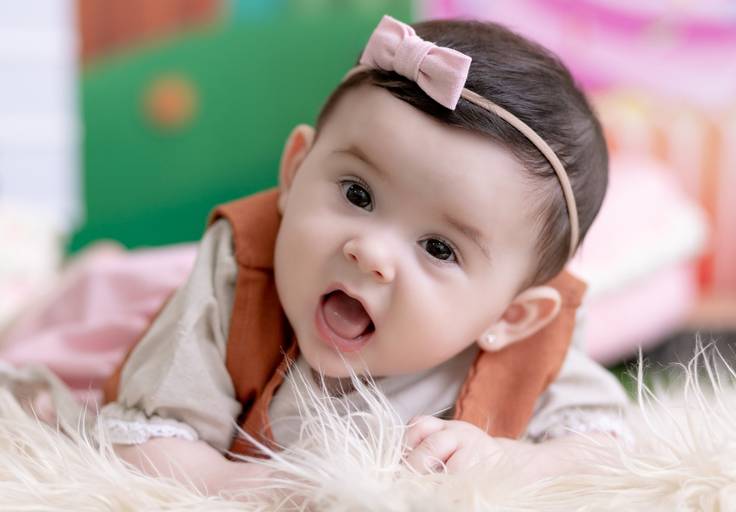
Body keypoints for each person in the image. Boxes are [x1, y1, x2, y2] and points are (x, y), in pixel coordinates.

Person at [101, 15, 629, 495]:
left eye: (439, 248)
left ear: (509, 317)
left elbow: (606, 449)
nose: (371, 252)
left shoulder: (534, 342)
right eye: (357, 194)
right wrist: (245, 487)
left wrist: (511, 460)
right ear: (295, 170)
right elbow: (139, 439)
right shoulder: (237, 273)